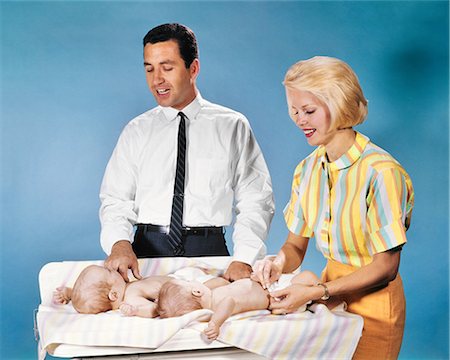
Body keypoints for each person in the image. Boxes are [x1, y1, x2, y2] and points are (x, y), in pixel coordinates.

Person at [251, 56, 414, 359]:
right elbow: (295, 246)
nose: (300, 120)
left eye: (309, 110)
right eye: (294, 110)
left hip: (375, 305)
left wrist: (317, 292)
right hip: (329, 298)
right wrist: (276, 263)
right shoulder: (307, 170)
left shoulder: (381, 172)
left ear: (339, 105)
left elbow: (386, 268)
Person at [100, 23, 274, 283]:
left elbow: (256, 199)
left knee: (216, 321)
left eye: (167, 68)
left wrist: (245, 258)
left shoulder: (232, 125)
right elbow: (116, 198)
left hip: (210, 252)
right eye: (149, 69)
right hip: (144, 254)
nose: (157, 79)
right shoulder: (136, 131)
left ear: (193, 69)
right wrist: (119, 243)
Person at [157, 270, 319, 340]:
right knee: (309, 278)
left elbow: (221, 281)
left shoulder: (213, 293)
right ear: (197, 292)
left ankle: (321, 299)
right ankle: (327, 300)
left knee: (307, 285)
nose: (193, 281)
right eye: (188, 282)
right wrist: (216, 323)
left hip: (268, 288)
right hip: (274, 294)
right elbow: (230, 302)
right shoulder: (219, 305)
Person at [53, 265, 172, 317]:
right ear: (114, 295)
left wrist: (69, 293)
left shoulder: (124, 289)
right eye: (109, 272)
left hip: (176, 281)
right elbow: (154, 309)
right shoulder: (131, 297)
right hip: (181, 290)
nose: (112, 269)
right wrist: (136, 311)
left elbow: (89, 295)